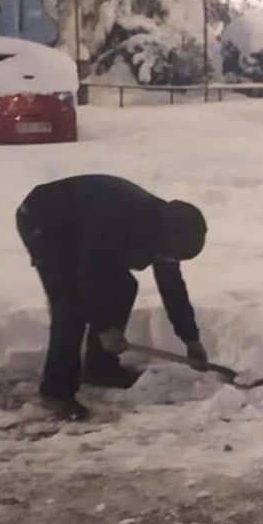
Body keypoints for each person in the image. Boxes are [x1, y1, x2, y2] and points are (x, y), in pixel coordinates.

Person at [15, 174, 209, 421]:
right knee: (70, 304)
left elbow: (172, 286)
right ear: (162, 238)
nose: (168, 261)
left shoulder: (167, 230)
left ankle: (100, 368)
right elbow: (90, 273)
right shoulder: (121, 221)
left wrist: (191, 338)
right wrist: (105, 326)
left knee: (124, 286)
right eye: (169, 255)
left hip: (84, 227)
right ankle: (56, 390)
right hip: (45, 220)